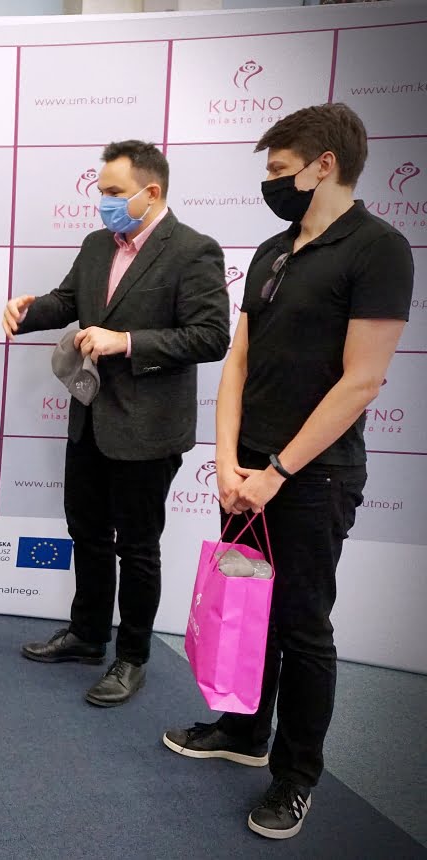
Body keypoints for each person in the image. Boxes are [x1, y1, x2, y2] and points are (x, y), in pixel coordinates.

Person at [162, 104, 412, 840]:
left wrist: (277, 469)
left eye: (279, 170)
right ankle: (244, 730)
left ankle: (296, 776)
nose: (270, 183)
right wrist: (227, 459)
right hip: (246, 472)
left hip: (314, 477)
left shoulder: (379, 249)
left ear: (323, 165)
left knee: (302, 628)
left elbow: (361, 382)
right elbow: (238, 361)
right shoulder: (274, 250)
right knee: (249, 610)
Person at [5, 140, 229, 707]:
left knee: (138, 547)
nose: (102, 202)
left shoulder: (194, 251)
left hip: (149, 429)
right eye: (101, 191)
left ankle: (132, 657)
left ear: (150, 192)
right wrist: (27, 312)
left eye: (112, 192)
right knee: (86, 533)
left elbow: (209, 337)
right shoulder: (96, 245)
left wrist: (125, 342)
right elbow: (68, 301)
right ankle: (87, 634)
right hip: (89, 418)